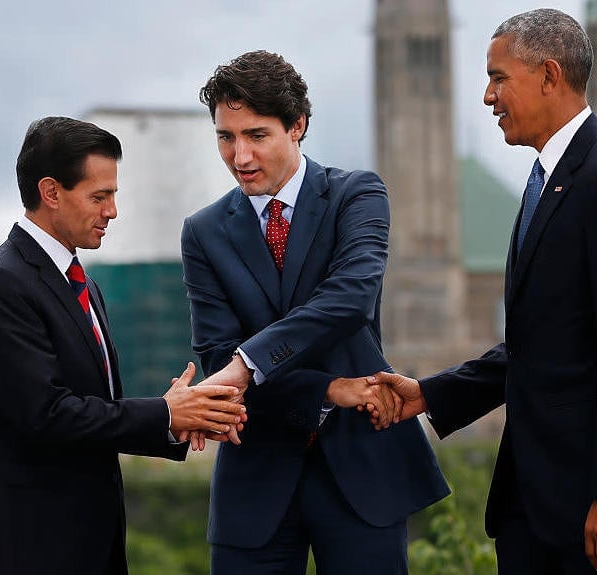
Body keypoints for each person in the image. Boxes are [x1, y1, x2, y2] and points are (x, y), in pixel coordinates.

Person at [372, 9, 597, 575]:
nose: (487, 96)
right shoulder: (547, 182)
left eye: (499, 78)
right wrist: (431, 393)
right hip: (535, 505)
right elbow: (542, 344)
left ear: (549, 75)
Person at [180, 50, 449, 574]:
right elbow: (216, 355)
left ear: (297, 126)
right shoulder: (204, 231)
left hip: (362, 470)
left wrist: (247, 364)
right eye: (225, 137)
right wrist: (328, 389)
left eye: (256, 135)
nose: (239, 156)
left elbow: (350, 299)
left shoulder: (357, 194)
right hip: (255, 478)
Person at [0, 116, 247, 575]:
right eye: (99, 196)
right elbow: (47, 414)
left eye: (113, 195)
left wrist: (185, 418)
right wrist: (166, 413)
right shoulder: (1, 284)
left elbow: (98, 413)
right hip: (22, 544)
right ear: (51, 192)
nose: (113, 211)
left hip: (88, 540)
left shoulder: (83, 285)